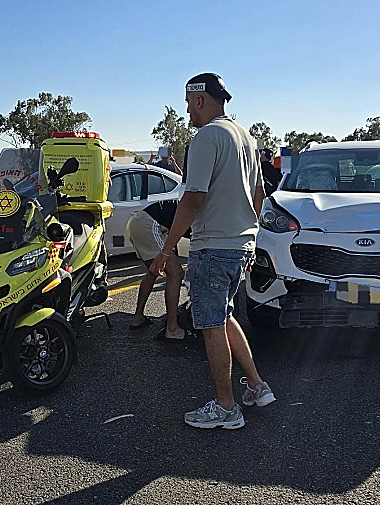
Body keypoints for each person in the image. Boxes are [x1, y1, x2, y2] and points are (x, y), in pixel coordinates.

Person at [149, 72, 276, 430]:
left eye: (189, 104)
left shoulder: (206, 138)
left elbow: (192, 199)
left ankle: (226, 408)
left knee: (210, 326)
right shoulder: (247, 137)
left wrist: (166, 249)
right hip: (238, 246)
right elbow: (259, 195)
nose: (188, 111)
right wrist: (249, 236)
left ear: (200, 100)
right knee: (224, 317)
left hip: (213, 247)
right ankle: (256, 386)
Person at [126, 199, 189, 341]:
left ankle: (138, 317)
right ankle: (172, 329)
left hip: (139, 221)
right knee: (176, 274)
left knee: (153, 271)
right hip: (149, 224)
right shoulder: (202, 213)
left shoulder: (198, 205)